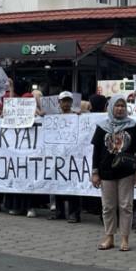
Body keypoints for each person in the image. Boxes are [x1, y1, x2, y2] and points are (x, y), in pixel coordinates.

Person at [91, 94, 136, 252]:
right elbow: (96, 151)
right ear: (111, 107)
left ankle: (125, 238)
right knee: (108, 206)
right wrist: (95, 172)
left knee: (126, 206)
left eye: (123, 106)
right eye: (117, 105)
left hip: (126, 172)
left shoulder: (133, 126)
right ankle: (109, 237)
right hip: (106, 172)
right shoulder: (102, 127)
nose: (120, 109)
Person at [49, 91, 82, 223]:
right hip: (58, 155)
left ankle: (74, 213)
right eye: (64, 101)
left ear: (71, 102)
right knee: (58, 183)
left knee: (73, 185)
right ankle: (59, 211)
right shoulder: (54, 118)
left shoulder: (77, 116)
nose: (66, 103)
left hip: (73, 156)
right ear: (59, 102)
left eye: (68, 101)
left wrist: (82, 116)